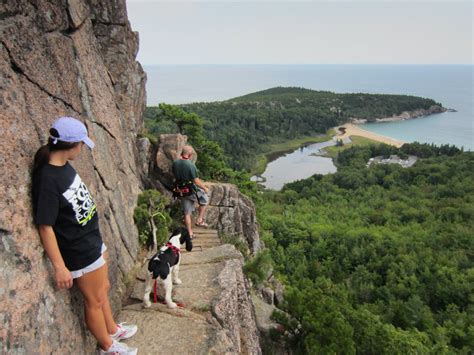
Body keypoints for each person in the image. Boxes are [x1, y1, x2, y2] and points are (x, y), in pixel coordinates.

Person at [32, 117, 138, 355]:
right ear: (72, 145)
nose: (82, 149)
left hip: (91, 240)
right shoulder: (48, 179)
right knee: (95, 300)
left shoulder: (63, 166)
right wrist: (60, 266)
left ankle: (112, 329)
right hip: (78, 249)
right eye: (81, 144)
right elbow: (45, 226)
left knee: (104, 289)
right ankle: (108, 347)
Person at [171, 145, 210, 238]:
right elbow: (196, 181)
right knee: (205, 200)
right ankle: (199, 220)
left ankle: (190, 233)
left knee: (187, 213)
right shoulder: (190, 165)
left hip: (180, 190)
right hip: (190, 190)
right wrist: (205, 188)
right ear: (190, 154)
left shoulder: (175, 163)